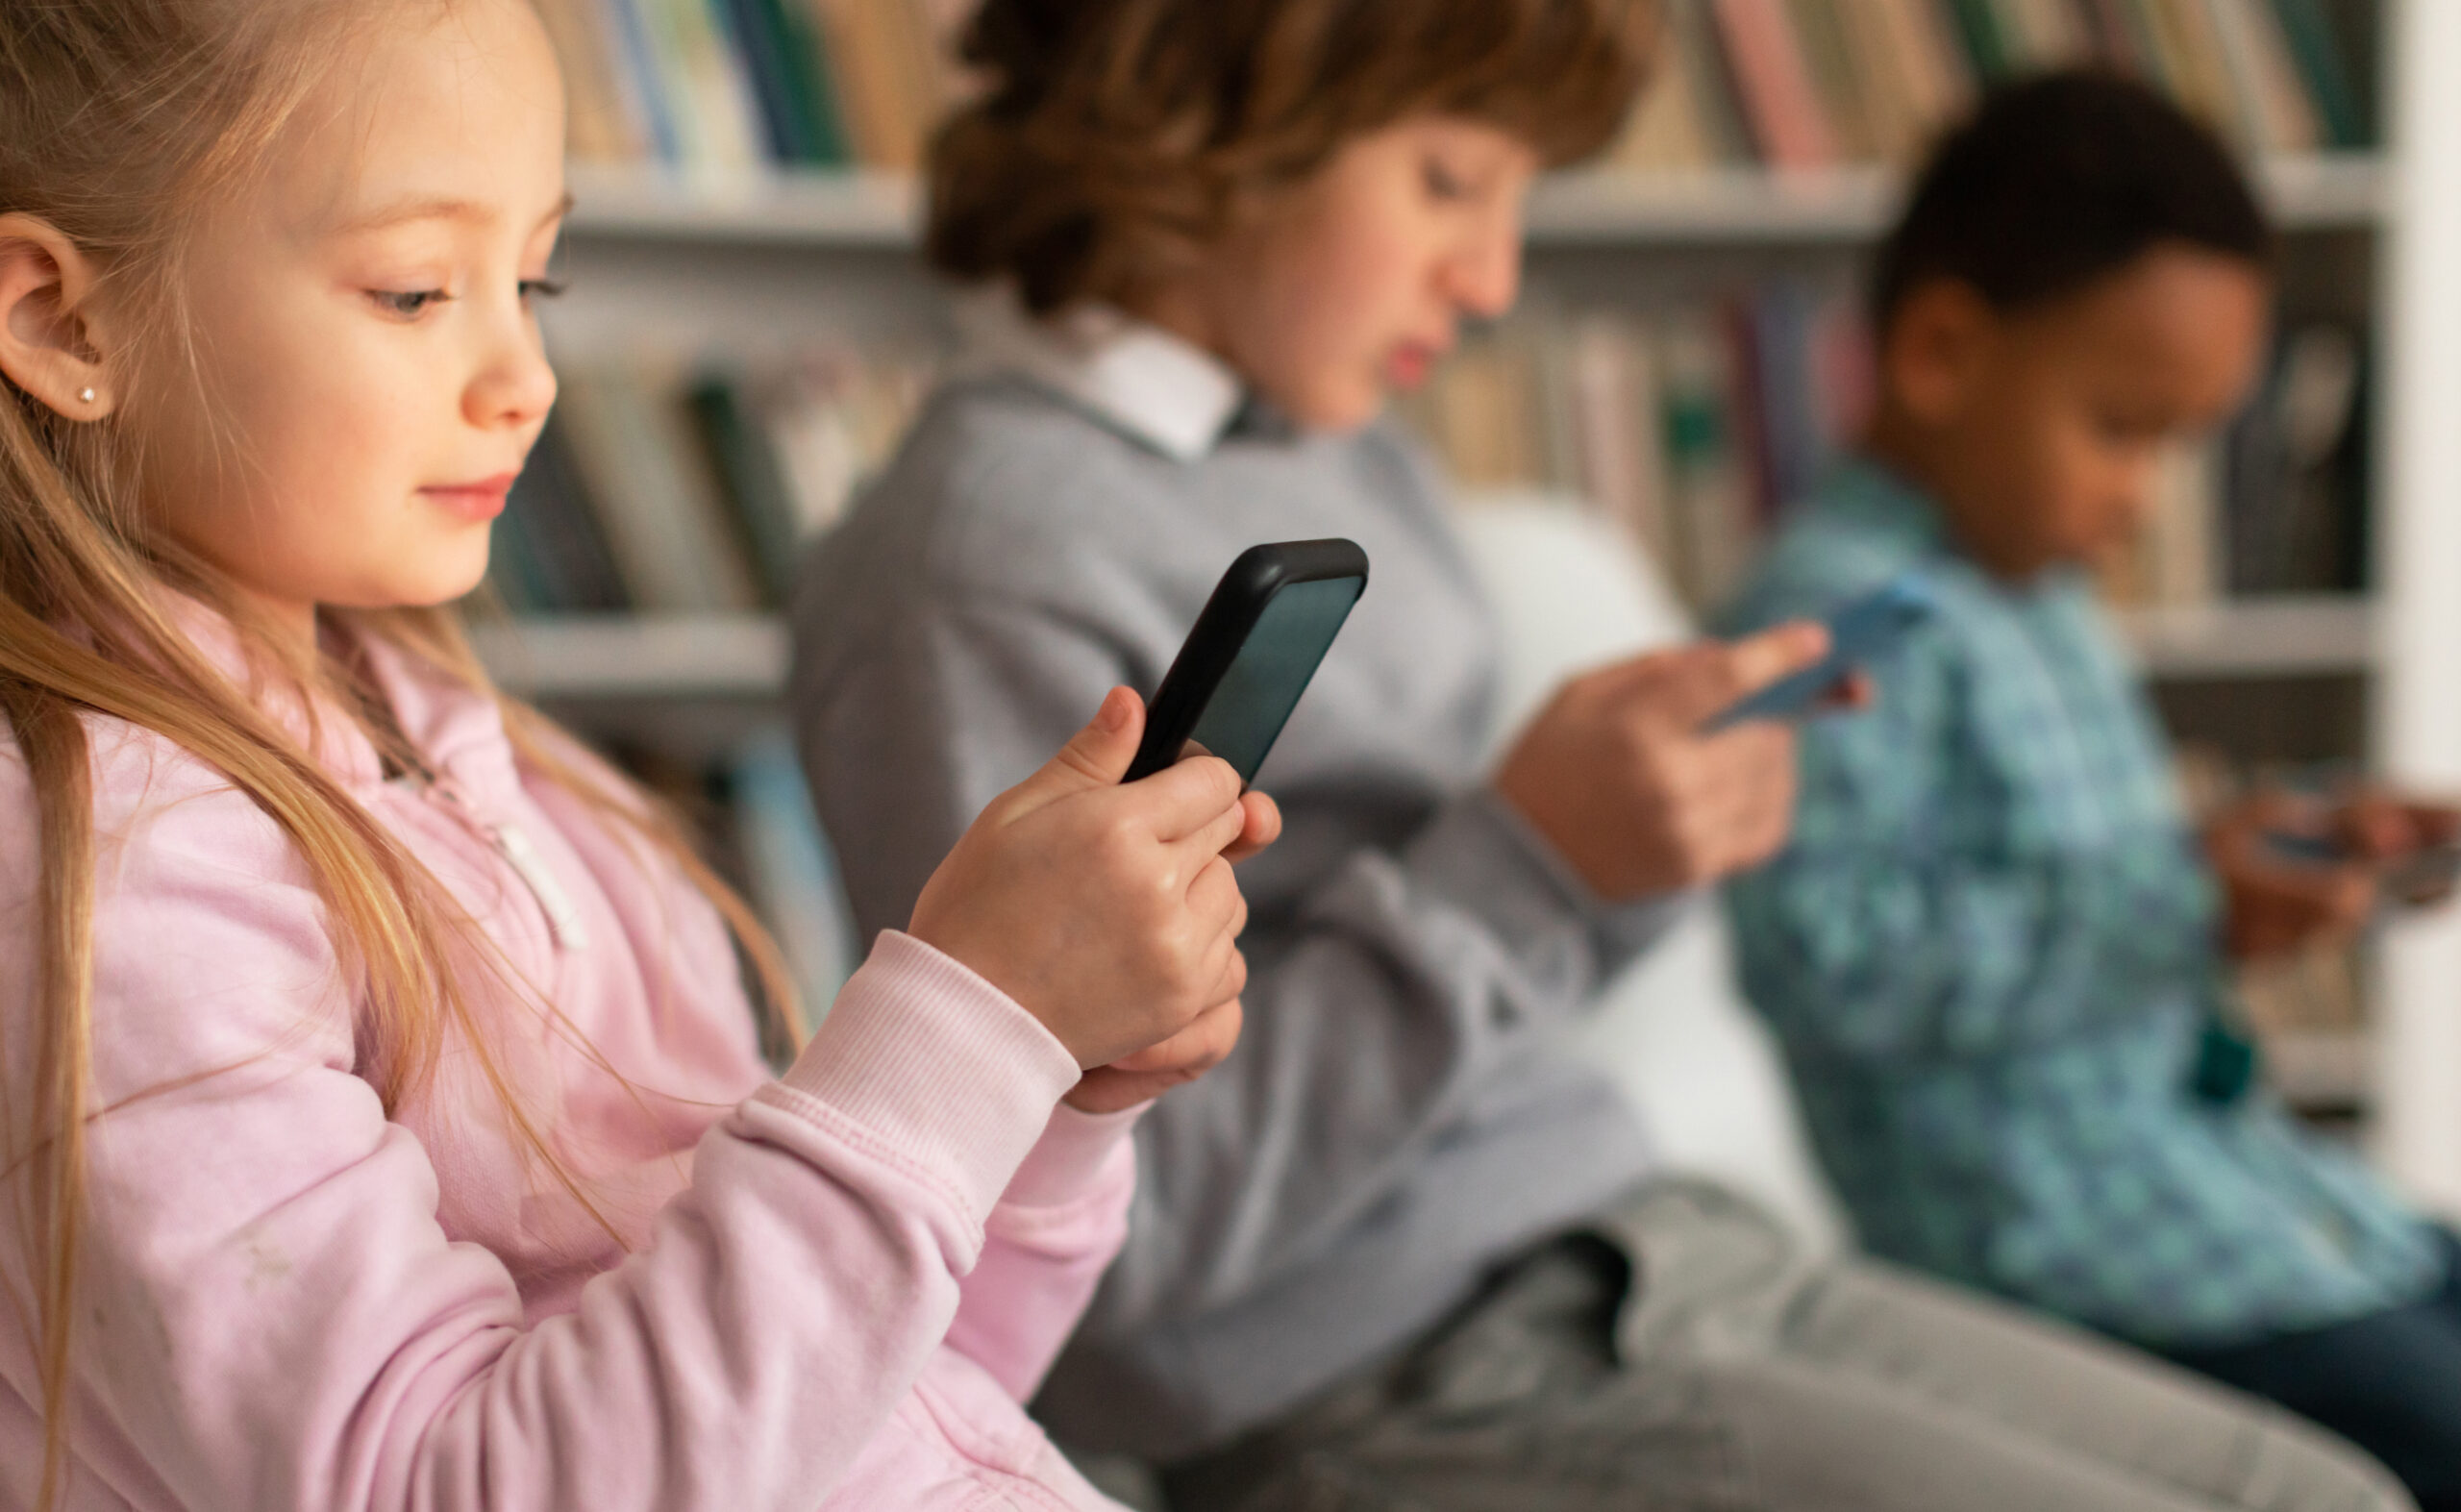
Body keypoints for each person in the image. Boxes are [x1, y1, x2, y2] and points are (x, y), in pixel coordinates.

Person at [790, 6, 2411, 1508]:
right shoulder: (975, 561)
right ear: (1210, 113)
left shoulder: (1327, 439)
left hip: (1638, 1244)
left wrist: (1638, 836)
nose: (1492, 279)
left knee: (2332, 1490)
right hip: (1374, 1375)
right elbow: (1102, 1246)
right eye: (1445, 182)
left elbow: (1490, 935)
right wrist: (1533, 864)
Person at [0, 2, 1280, 1508]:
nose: (525, 376)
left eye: (533, 277)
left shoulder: (536, 789)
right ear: (61, 321)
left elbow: (886, 1392)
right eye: (416, 291)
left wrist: (1039, 1086)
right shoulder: (115, 877)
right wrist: (962, 1037)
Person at [1723, 71, 2461, 1512]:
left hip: (2246, 1200)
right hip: (2076, 1270)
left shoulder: (2035, 581)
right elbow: (1828, 957)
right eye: (2124, 428)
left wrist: (2299, 840)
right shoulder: (1829, 620)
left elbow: (2106, 854)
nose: (2145, 493)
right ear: (1942, 350)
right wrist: (2185, 894)